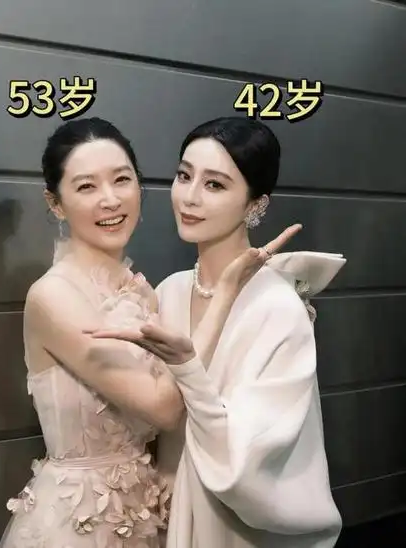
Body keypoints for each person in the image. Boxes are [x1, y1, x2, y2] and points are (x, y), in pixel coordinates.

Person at [0, 116, 299, 548]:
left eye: (122, 180)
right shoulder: (53, 297)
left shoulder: (146, 291)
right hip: (79, 523)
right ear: (56, 203)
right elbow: (164, 408)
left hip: (149, 514)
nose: (110, 200)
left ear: (140, 188)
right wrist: (227, 292)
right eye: (86, 186)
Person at [90, 117, 346, 547]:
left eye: (214, 184)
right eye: (184, 176)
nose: (190, 197)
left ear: (255, 204)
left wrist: (186, 365)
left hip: (234, 528)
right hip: (165, 513)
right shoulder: (168, 292)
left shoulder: (278, 309)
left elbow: (248, 459)